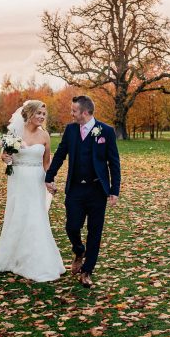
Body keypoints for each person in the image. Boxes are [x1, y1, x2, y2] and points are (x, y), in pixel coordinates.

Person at [45, 95, 121, 288]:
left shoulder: (106, 131)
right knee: (72, 226)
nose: (71, 114)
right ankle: (79, 250)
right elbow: (61, 154)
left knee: (95, 232)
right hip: (75, 189)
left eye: (74, 111)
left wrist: (114, 190)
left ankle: (87, 271)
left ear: (85, 112)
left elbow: (114, 163)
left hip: (97, 190)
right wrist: (49, 176)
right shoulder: (70, 130)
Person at [0, 100, 65, 282]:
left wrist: (50, 181)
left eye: (43, 114)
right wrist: (4, 157)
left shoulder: (45, 136)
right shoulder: (15, 132)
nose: (41, 117)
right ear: (29, 114)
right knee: (18, 215)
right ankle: (14, 256)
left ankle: (37, 260)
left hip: (36, 180)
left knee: (36, 217)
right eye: (38, 113)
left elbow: (47, 163)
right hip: (18, 179)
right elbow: (6, 156)